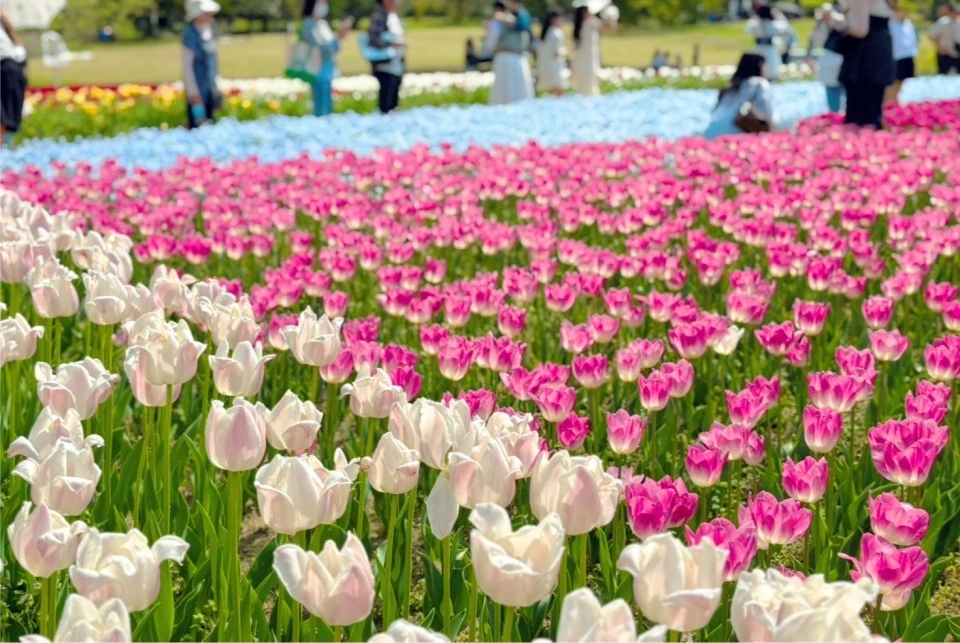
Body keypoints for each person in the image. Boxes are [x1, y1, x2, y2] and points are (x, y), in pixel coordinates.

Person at [831, 0, 895, 128]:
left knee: (860, 115)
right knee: (873, 111)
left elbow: (860, 30)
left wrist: (833, 19)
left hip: (863, 59)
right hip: (879, 54)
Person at [704, 52, 775, 139]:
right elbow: (767, 112)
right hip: (737, 134)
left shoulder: (731, 86)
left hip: (711, 133)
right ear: (760, 66)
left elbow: (714, 112)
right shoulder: (760, 83)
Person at [301, 0, 353, 117]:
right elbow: (319, 48)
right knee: (321, 107)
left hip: (329, 69)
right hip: (318, 70)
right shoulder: (308, 25)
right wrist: (337, 37)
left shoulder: (322, 24)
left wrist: (339, 38)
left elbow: (333, 48)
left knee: (328, 106)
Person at [484, 0, 535, 105]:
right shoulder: (500, 18)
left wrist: (507, 19)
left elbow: (523, 25)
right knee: (503, 91)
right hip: (504, 55)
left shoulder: (522, 14)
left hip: (517, 56)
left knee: (520, 91)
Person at [182, 0, 221, 129]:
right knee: (198, 125)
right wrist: (193, 92)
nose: (210, 16)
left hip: (210, 87)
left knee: (211, 122)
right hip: (197, 89)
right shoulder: (190, 34)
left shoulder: (209, 31)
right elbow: (187, 66)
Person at [571, 0, 618, 97]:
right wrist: (612, 19)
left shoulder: (580, 24)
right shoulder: (589, 22)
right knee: (589, 81)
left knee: (585, 83)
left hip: (581, 59)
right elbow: (607, 29)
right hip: (588, 58)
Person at [367, 0, 406, 114]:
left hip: (397, 64)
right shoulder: (379, 17)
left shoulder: (395, 16)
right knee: (386, 102)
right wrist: (392, 43)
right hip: (384, 64)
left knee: (394, 101)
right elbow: (374, 39)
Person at [809, 2, 845, 112]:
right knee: (833, 102)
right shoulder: (827, 15)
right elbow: (818, 41)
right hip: (831, 60)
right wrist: (822, 22)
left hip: (848, 61)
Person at [0, 12, 27, 146]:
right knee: (5, 118)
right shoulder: (7, 32)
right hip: (13, 71)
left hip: (6, 72)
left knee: (3, 117)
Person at [746, 4, 789, 80]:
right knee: (772, 68)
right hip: (770, 49)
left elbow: (748, 29)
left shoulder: (755, 24)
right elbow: (784, 26)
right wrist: (779, 15)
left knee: (759, 67)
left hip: (759, 48)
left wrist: (755, 16)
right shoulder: (772, 25)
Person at [886, 7, 917, 104]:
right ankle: (889, 102)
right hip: (895, 57)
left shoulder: (907, 23)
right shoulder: (890, 22)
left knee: (901, 82)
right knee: (892, 83)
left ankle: (895, 101)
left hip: (907, 56)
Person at [536, 9, 567, 95]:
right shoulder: (556, 32)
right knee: (558, 93)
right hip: (555, 67)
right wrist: (567, 51)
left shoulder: (546, 32)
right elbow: (556, 53)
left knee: (551, 93)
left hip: (545, 67)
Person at [927, 3, 960, 75]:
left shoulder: (958, 22)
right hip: (946, 54)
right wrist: (939, 47)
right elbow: (931, 36)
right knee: (943, 75)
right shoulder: (943, 22)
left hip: (957, 54)